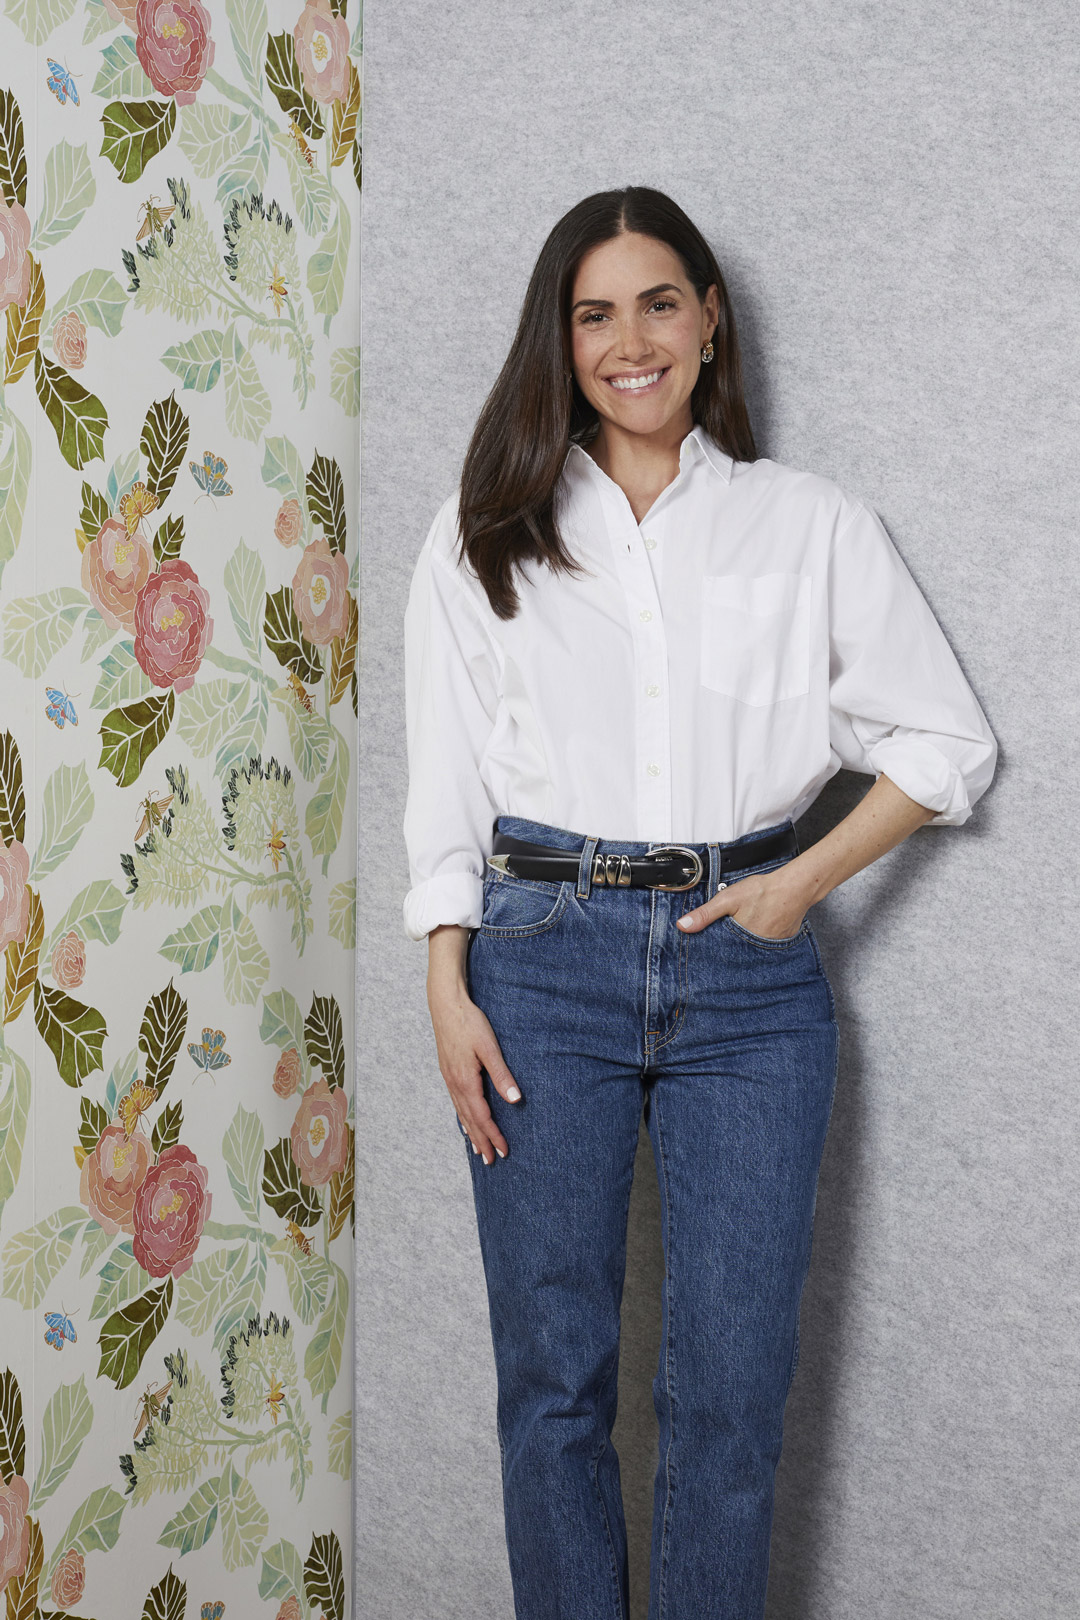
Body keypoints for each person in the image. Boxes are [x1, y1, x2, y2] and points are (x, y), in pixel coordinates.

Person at [400, 185, 997, 1620]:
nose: (629, 340)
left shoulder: (809, 526)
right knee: (554, 1383)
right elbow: (446, 793)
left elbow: (946, 743)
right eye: (593, 313)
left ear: (710, 318)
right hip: (537, 962)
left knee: (728, 1396)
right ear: (562, 339)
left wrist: (799, 882)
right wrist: (446, 983)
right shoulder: (486, 529)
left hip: (749, 978)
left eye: (659, 302)